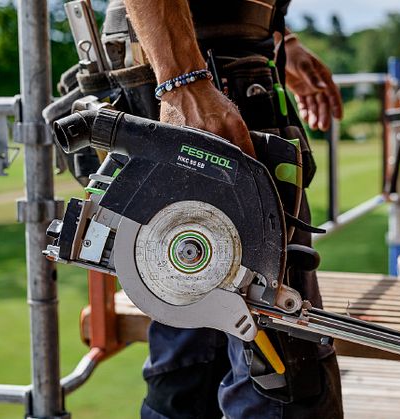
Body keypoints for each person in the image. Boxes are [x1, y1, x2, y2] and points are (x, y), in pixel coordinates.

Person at [121, 1, 344, 418]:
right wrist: (182, 84)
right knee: (283, 375)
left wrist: (278, 38)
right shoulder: (189, 86)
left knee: (191, 356)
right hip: (206, 96)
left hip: (212, 79)